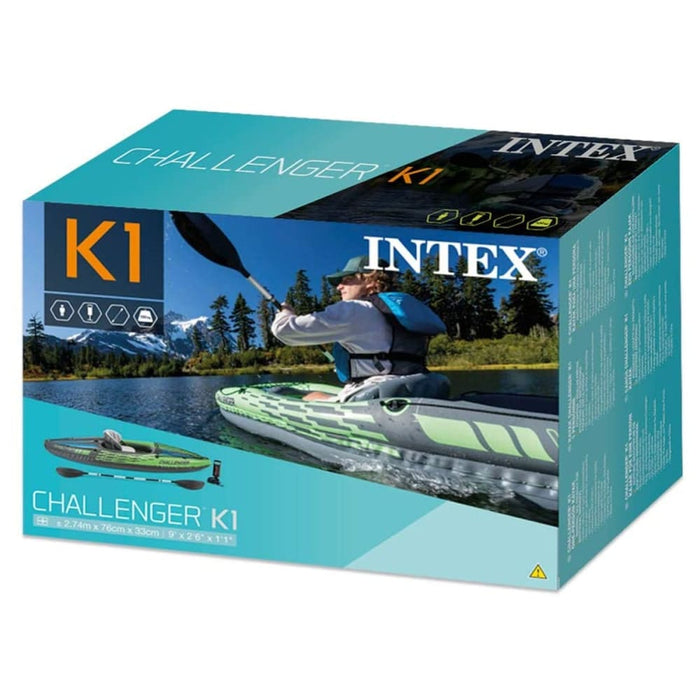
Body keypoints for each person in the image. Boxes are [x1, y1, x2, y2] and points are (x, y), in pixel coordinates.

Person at [271, 255, 450, 402]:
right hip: (417, 386)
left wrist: (285, 312)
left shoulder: (354, 309)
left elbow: (284, 330)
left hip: (376, 394)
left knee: (311, 397)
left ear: (370, 280)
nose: (339, 286)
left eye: (347, 280)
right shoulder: (396, 311)